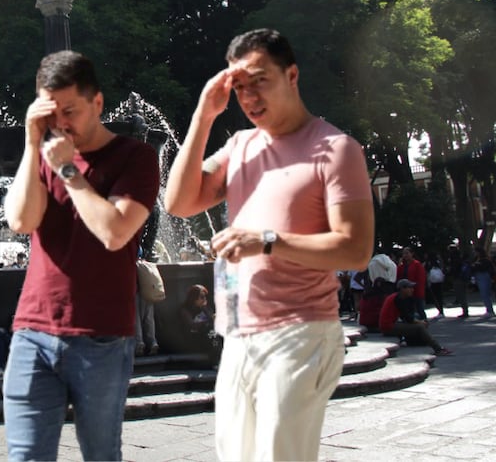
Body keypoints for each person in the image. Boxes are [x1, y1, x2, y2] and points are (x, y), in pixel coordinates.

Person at [164, 28, 374, 462]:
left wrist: (267, 240)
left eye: (260, 80)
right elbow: (179, 202)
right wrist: (204, 115)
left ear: (292, 74)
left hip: (303, 331)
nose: (249, 96)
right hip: (239, 333)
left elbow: (355, 249)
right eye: (240, 87)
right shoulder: (240, 146)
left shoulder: (336, 149)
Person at [2, 50, 159, 461]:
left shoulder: (136, 158)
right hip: (33, 330)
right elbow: (20, 220)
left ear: (98, 103)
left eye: (69, 110)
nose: (60, 123)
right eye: (50, 113)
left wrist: (69, 171)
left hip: (101, 335)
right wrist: (30, 142)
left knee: (101, 454)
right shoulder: (44, 153)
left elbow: (114, 232)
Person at [379, 279, 452, 355]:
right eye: (409, 288)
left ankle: (417, 341)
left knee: (418, 319)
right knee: (419, 327)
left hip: (391, 323)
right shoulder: (398, 299)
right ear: (402, 289)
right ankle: (438, 349)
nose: (412, 290)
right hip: (388, 326)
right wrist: (420, 322)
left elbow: (407, 315)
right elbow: (408, 318)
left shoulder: (400, 297)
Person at [177, 284, 220, 361]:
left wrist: (205, 309)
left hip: (208, 335)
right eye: (202, 297)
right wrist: (207, 322)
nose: (204, 300)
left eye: (205, 297)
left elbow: (212, 319)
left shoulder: (205, 308)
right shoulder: (185, 310)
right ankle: (215, 361)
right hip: (194, 338)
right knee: (212, 333)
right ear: (194, 298)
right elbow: (192, 325)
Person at [397, 246, 427, 321]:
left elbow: (421, 279)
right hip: (405, 291)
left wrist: (415, 288)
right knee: (409, 310)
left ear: (412, 254)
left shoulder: (417, 264)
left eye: (407, 253)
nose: (405, 255)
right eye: (404, 253)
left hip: (416, 290)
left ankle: (424, 322)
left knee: (419, 308)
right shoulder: (401, 266)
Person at [471, 249, 494, 318]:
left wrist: (475, 265)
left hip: (483, 276)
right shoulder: (479, 259)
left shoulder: (484, 260)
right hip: (482, 276)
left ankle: (490, 310)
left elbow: (483, 268)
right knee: (485, 294)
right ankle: (489, 309)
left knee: (485, 294)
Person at [425, 250, 447, 320]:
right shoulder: (438, 262)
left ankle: (440, 311)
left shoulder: (428, 263)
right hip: (439, 281)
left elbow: (427, 271)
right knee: (439, 296)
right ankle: (441, 311)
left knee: (435, 297)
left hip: (433, 282)